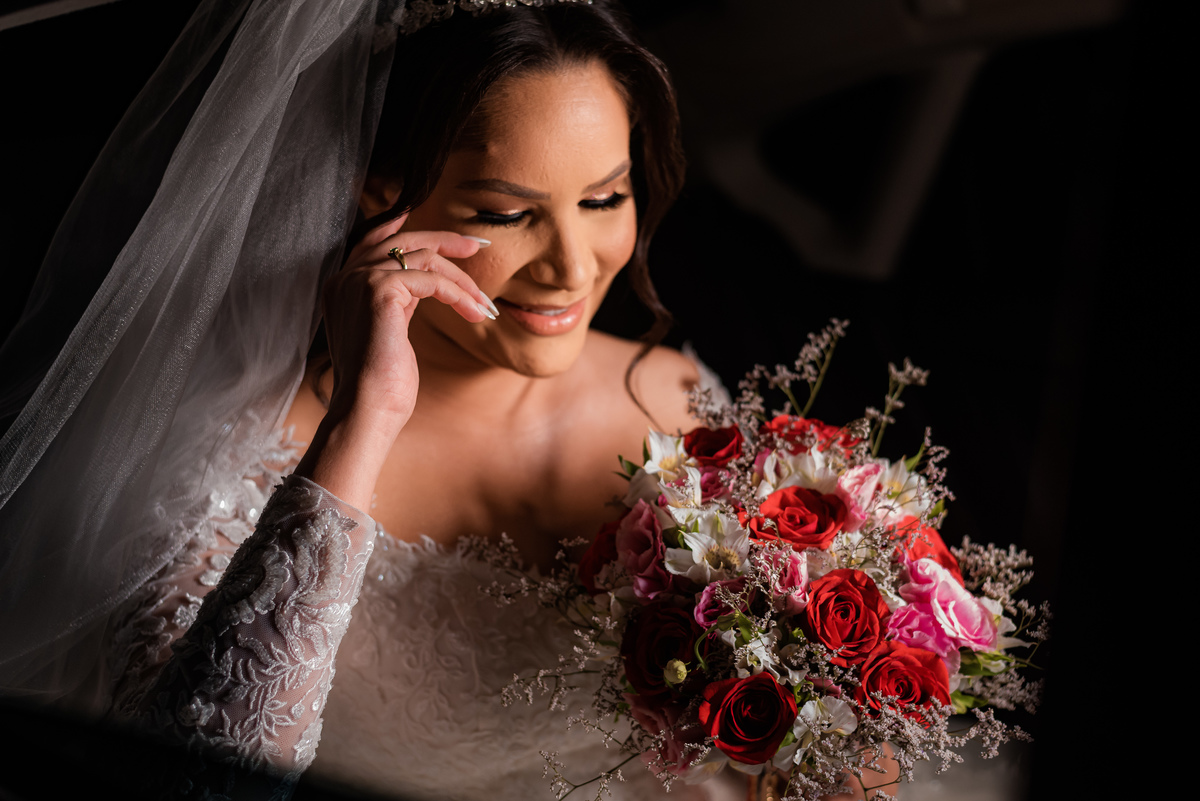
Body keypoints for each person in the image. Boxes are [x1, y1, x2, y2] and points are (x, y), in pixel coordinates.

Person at [0, 1, 895, 798]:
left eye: (604, 198)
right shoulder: (226, 459)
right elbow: (189, 778)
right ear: (381, 195)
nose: (572, 269)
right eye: (506, 214)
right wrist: (363, 424)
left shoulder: (672, 397)